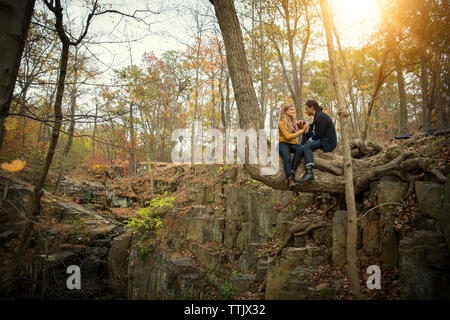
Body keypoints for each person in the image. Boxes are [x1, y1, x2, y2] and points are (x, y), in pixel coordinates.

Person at [295, 100, 337, 182]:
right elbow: (314, 127)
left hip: (327, 141)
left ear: (312, 108)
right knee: (305, 132)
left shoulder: (320, 117)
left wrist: (309, 141)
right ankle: (301, 149)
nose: (305, 111)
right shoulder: (318, 115)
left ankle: (309, 173)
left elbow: (319, 134)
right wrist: (304, 125)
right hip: (322, 137)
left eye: (307, 109)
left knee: (306, 147)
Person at [278, 103, 306, 190]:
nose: (293, 111)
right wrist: (301, 131)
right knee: (287, 157)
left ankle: (293, 170)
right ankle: (289, 179)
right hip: (283, 143)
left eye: (293, 109)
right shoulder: (281, 123)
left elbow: (300, 126)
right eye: (290, 109)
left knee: (301, 148)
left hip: (292, 144)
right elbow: (287, 136)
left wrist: (302, 124)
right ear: (285, 111)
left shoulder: (294, 122)